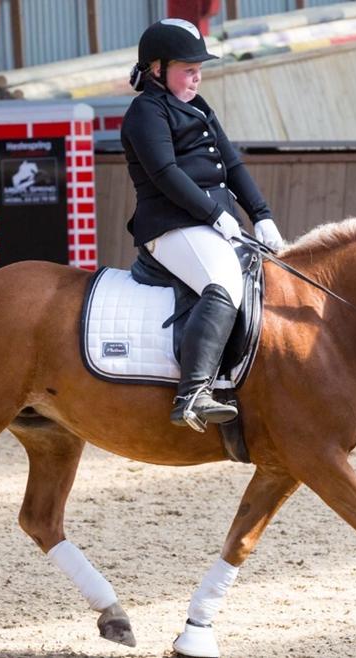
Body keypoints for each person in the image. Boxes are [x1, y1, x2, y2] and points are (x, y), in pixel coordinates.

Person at [121, 19, 285, 430]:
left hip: (212, 223)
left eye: (199, 69)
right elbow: (165, 173)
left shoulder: (197, 105)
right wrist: (216, 216)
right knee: (224, 282)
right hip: (171, 226)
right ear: (157, 69)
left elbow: (230, 164)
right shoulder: (146, 112)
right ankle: (192, 393)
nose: (197, 76)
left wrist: (261, 214)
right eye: (187, 69)